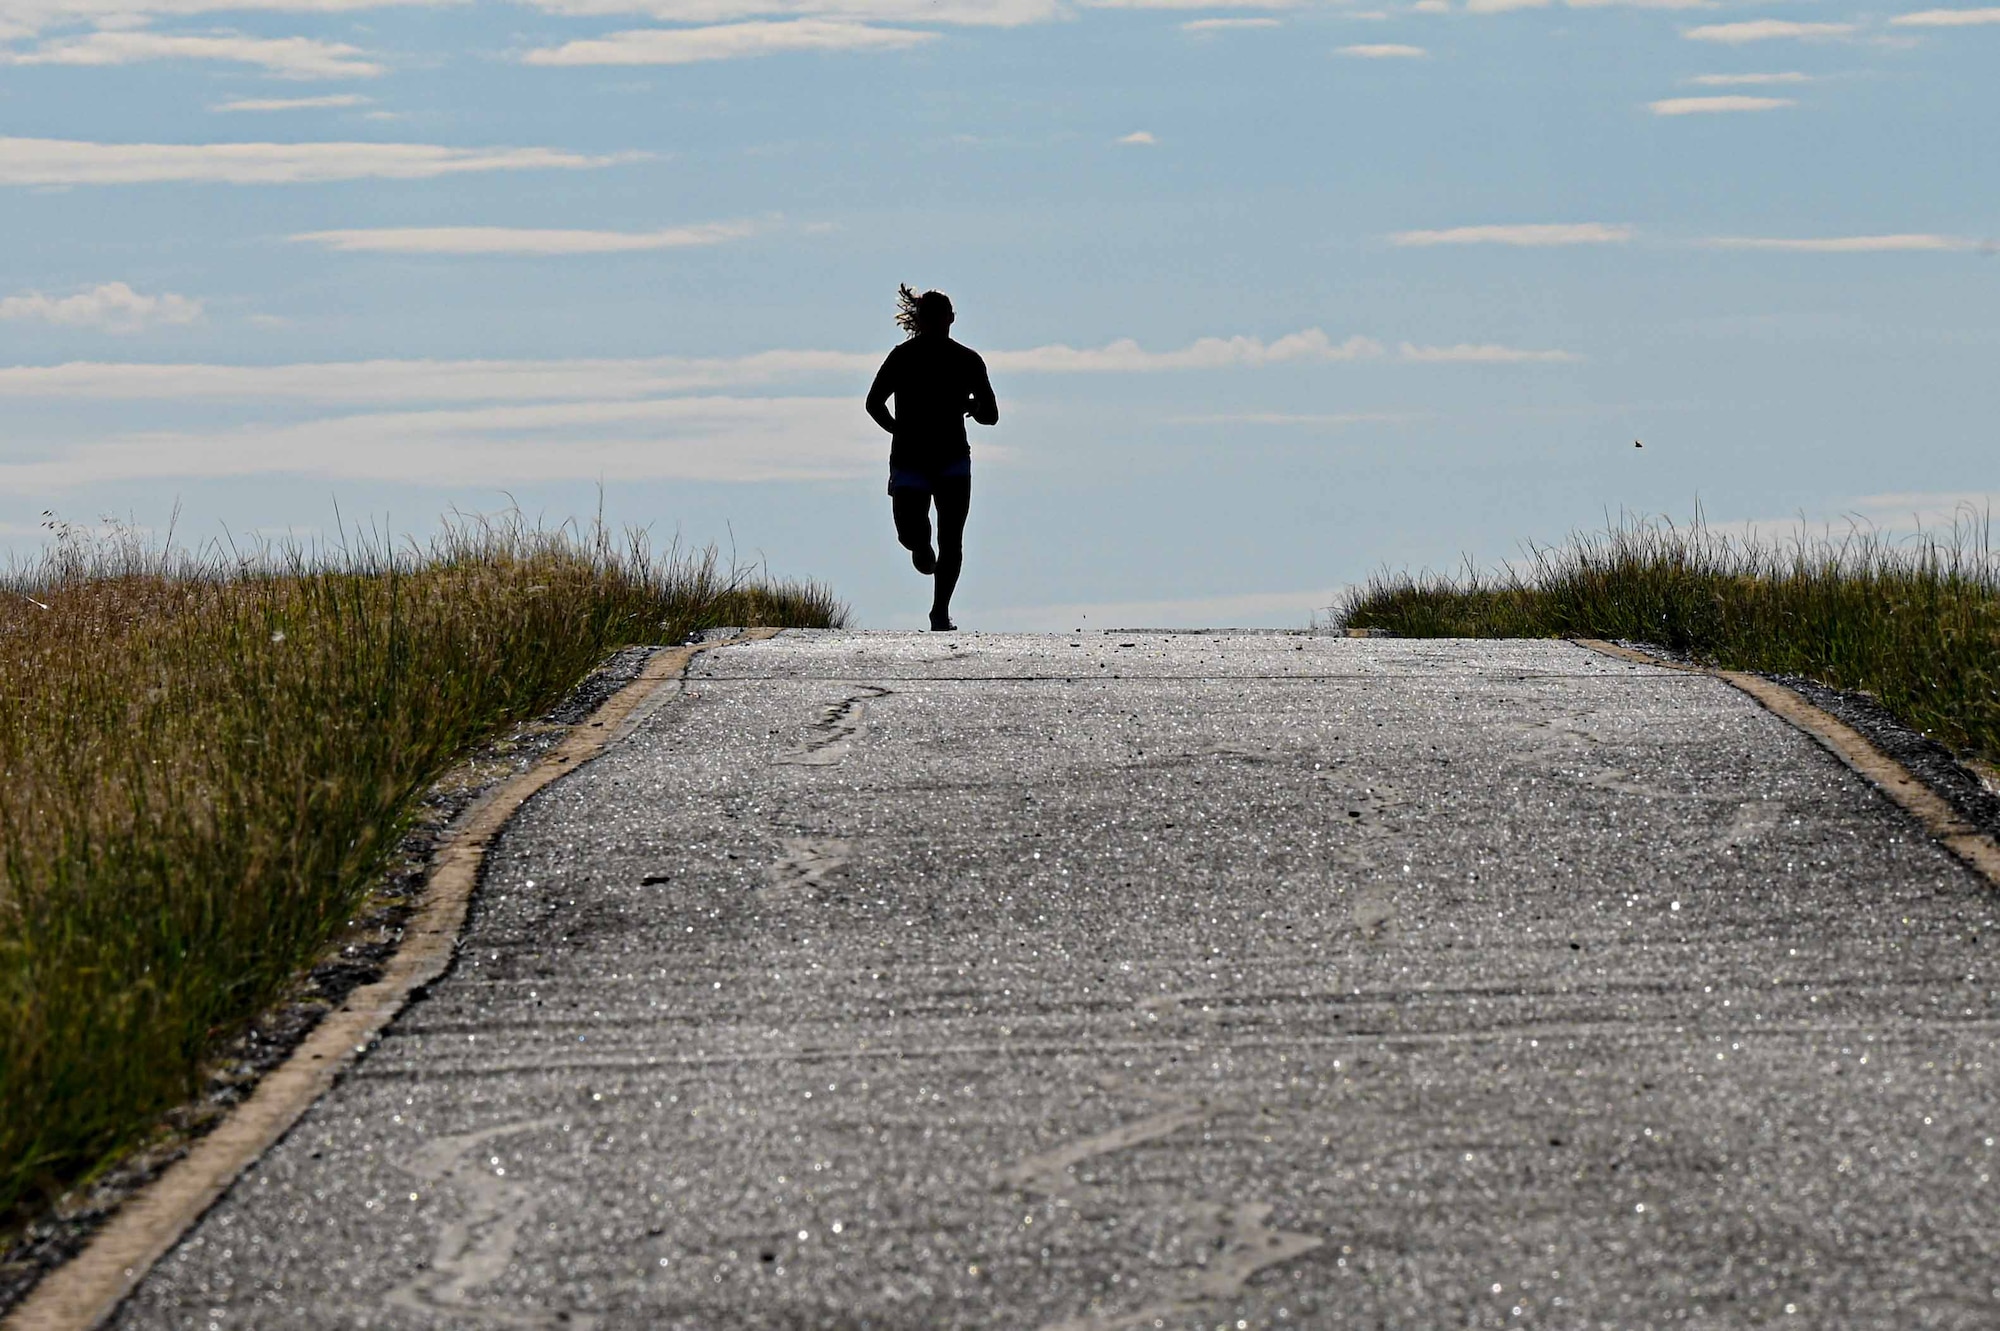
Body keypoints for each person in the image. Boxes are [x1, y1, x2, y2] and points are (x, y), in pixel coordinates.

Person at [865, 285, 998, 632]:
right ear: (919, 320)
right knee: (911, 533)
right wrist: (897, 430)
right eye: (928, 318)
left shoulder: (968, 360)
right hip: (909, 459)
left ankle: (940, 611)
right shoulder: (902, 357)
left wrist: (975, 406)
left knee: (951, 539)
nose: (935, 323)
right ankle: (920, 545)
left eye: (941, 317)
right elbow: (873, 402)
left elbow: (992, 415)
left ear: (951, 319)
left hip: (953, 460)